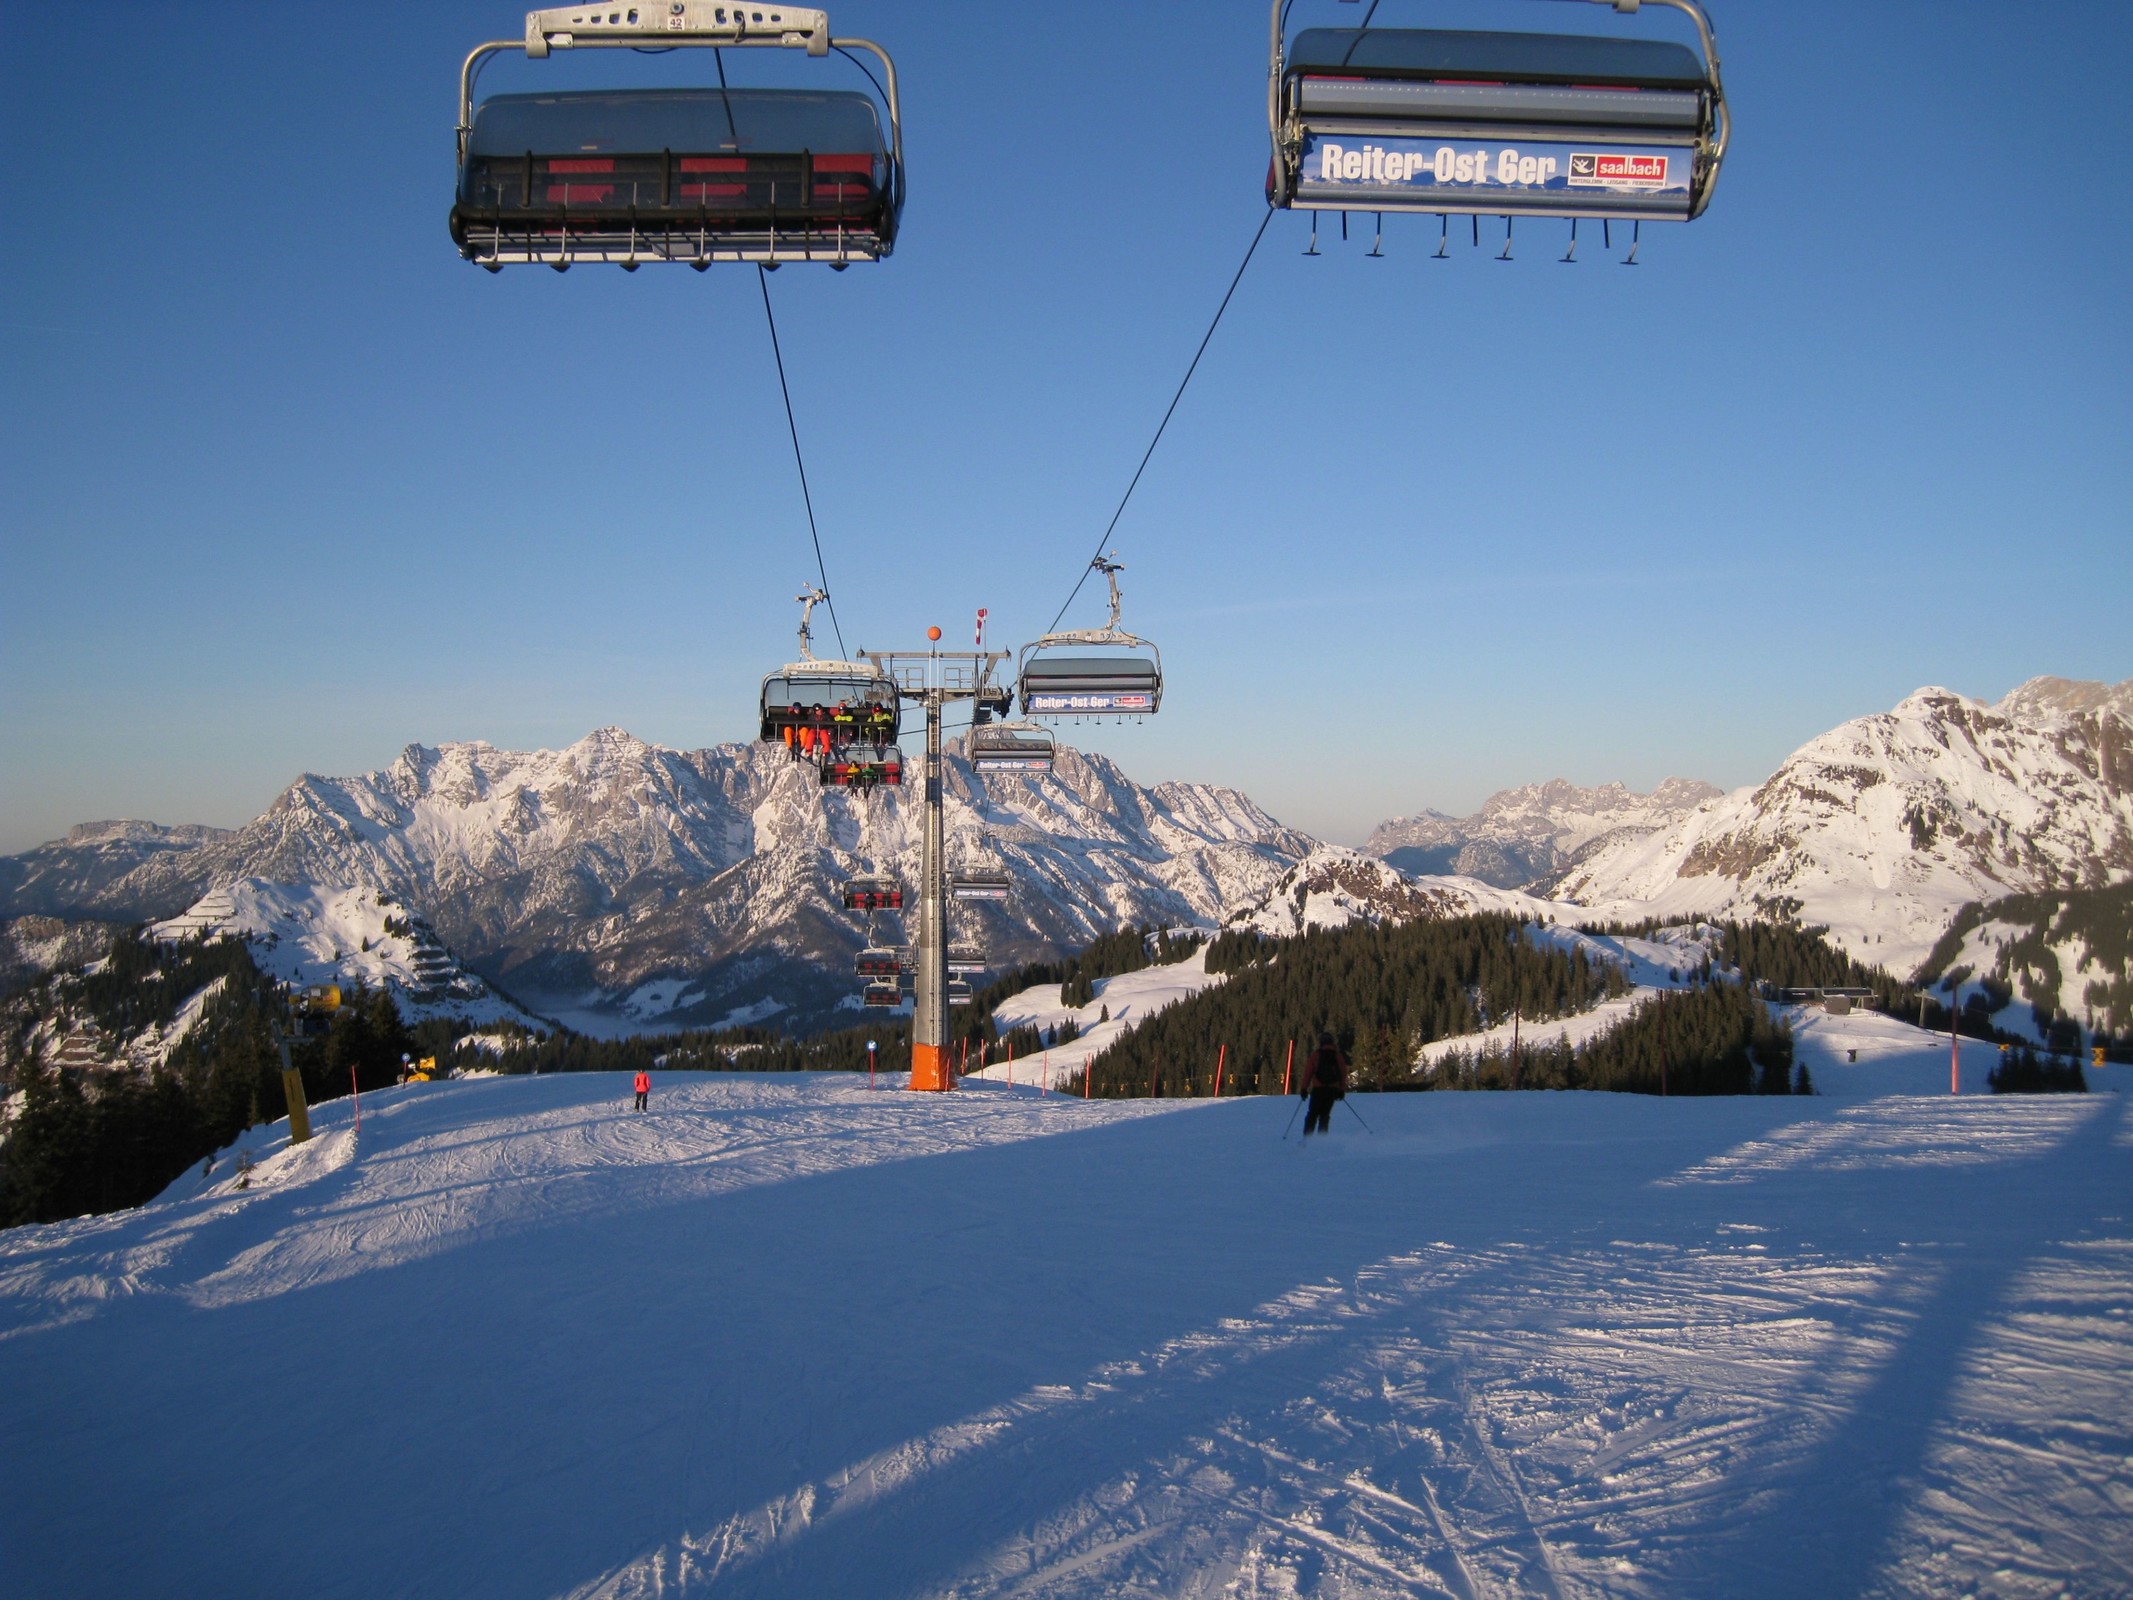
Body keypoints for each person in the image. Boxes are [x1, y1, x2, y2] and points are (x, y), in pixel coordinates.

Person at [1298, 1032, 1347, 1137]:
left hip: (1318, 1089)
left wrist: (1304, 1089)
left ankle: (1307, 1139)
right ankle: (1322, 1140)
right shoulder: (1338, 1056)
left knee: (1312, 1114)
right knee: (1324, 1115)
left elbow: (1308, 1073)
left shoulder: (1316, 1055)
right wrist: (1342, 1090)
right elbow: (1343, 1074)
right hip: (1332, 1090)